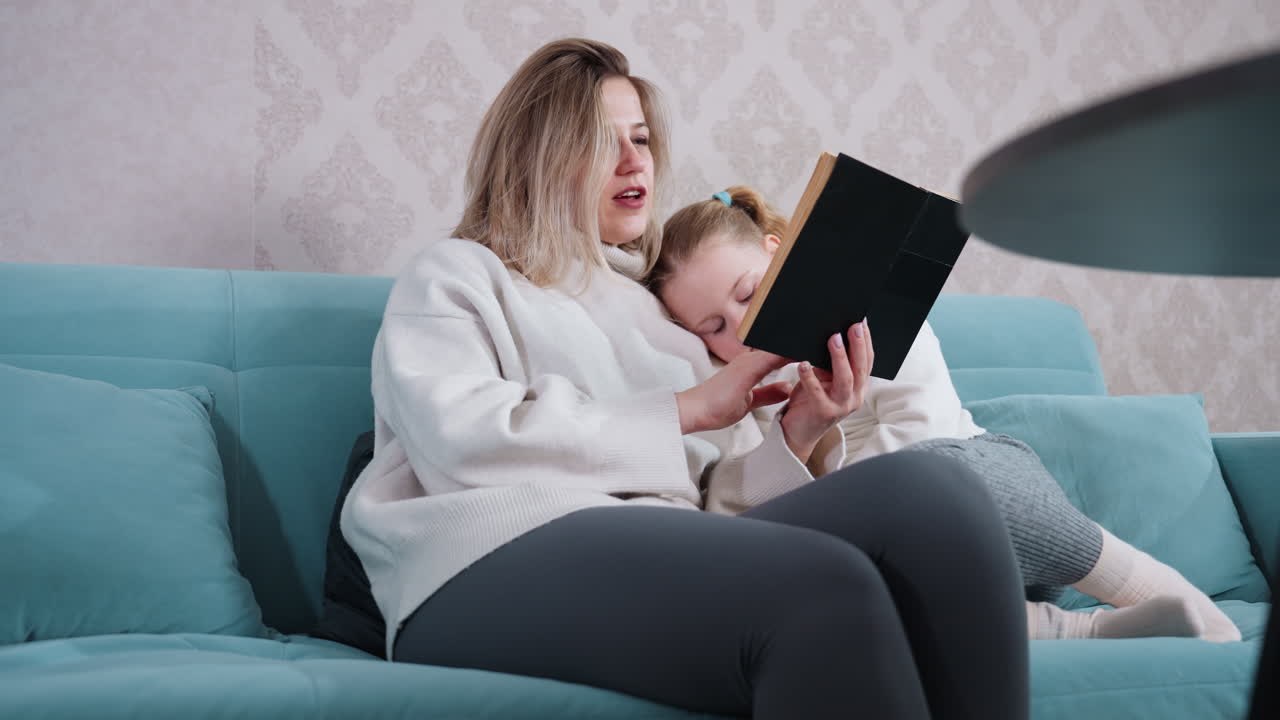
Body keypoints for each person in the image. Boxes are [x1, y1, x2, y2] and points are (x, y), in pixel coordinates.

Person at [340, 38, 1030, 719]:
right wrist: (687, 409)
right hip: (479, 564)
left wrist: (798, 433)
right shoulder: (460, 274)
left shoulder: (665, 309)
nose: (634, 159)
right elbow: (460, 440)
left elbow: (722, 508)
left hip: (665, 551)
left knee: (937, 492)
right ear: (537, 158)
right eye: (600, 141)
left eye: (639, 138)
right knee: (825, 585)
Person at [648, 185, 1243, 643]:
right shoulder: (729, 396)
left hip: (984, 504)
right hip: (893, 567)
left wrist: (841, 492)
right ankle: (1078, 632)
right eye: (714, 328)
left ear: (780, 258)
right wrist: (796, 440)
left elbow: (923, 440)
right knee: (834, 597)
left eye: (748, 295)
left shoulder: (867, 317)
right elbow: (731, 520)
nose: (741, 328)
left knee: (945, 478)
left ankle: (1155, 590)